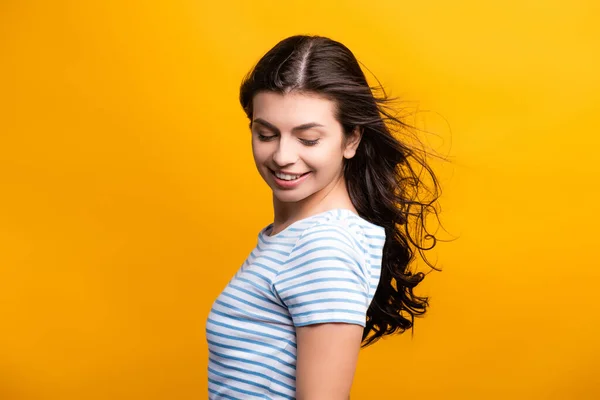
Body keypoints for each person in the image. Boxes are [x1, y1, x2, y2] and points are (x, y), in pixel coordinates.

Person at [206, 34, 443, 400]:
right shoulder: (295, 236)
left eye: (309, 139)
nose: (283, 155)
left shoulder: (323, 246)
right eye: (266, 134)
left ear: (351, 140)